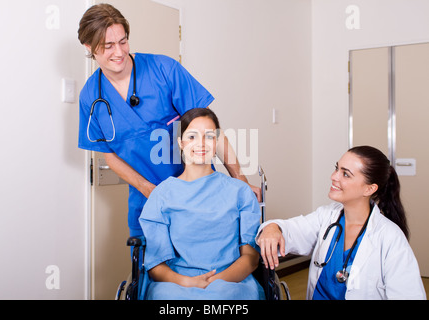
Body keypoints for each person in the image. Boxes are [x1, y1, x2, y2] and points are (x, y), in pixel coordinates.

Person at [77, 4, 260, 237]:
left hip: (199, 194)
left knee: (210, 261)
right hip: (147, 202)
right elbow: (109, 155)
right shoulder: (91, 97)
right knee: (153, 268)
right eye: (108, 46)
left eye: (123, 42)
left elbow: (210, 130)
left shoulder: (163, 69)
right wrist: (148, 190)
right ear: (89, 47)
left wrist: (240, 178)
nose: (119, 52)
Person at [257, 146, 426, 300]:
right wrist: (273, 227)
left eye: (345, 174)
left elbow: (409, 295)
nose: (333, 177)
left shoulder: (390, 237)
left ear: (369, 189)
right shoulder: (326, 216)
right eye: (336, 168)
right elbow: (292, 230)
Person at [138, 108, 265, 300]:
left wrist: (213, 283)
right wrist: (190, 283)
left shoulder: (240, 192)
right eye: (192, 136)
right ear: (180, 143)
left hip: (231, 283)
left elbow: (250, 258)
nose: (201, 144)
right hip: (175, 284)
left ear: (217, 143)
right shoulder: (162, 195)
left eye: (209, 136)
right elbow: (156, 265)